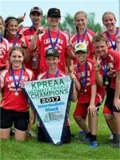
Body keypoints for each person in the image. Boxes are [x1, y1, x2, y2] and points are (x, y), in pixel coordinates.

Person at [37, 48, 79, 144]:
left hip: (62, 121)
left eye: (54, 59)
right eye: (49, 59)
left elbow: (74, 99)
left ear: (59, 59)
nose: (51, 62)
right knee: (43, 142)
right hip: (45, 121)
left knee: (64, 141)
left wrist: (72, 82)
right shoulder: (40, 78)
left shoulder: (65, 78)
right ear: (45, 60)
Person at [0, 46, 34, 141]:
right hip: (6, 109)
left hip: (22, 111)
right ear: (10, 58)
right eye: (14, 57)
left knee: (20, 141)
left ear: (23, 58)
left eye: (19, 57)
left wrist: (33, 113)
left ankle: (23, 130)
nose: (17, 59)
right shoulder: (3, 73)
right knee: (3, 140)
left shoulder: (29, 73)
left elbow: (33, 96)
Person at [73, 42, 103, 148]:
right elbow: (79, 87)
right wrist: (73, 77)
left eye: (83, 53)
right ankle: (88, 134)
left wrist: (92, 104)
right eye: (78, 53)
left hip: (96, 92)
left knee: (92, 110)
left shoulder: (91, 64)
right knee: (76, 116)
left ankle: (94, 140)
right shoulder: (75, 67)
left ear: (87, 53)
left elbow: (94, 84)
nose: (81, 55)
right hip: (85, 92)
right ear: (75, 54)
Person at [92, 33, 120, 148]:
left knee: (116, 110)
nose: (100, 49)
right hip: (111, 88)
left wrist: (116, 98)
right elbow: (101, 82)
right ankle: (116, 137)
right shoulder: (100, 60)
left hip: (118, 87)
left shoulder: (116, 55)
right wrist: (97, 71)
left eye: (102, 46)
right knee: (107, 114)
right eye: (97, 47)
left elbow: (119, 78)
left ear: (107, 45)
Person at [30, 8, 70, 74]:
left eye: (56, 17)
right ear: (47, 18)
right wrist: (36, 34)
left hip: (60, 73)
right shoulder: (41, 34)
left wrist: (69, 71)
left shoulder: (66, 36)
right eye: (52, 17)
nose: (54, 19)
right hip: (45, 73)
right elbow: (31, 48)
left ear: (60, 19)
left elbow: (67, 56)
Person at [19, 6, 43, 78]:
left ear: (41, 16)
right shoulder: (23, 30)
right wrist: (17, 21)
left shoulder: (45, 32)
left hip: (41, 69)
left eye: (37, 15)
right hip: (27, 68)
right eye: (33, 15)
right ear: (30, 16)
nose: (35, 17)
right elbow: (8, 29)